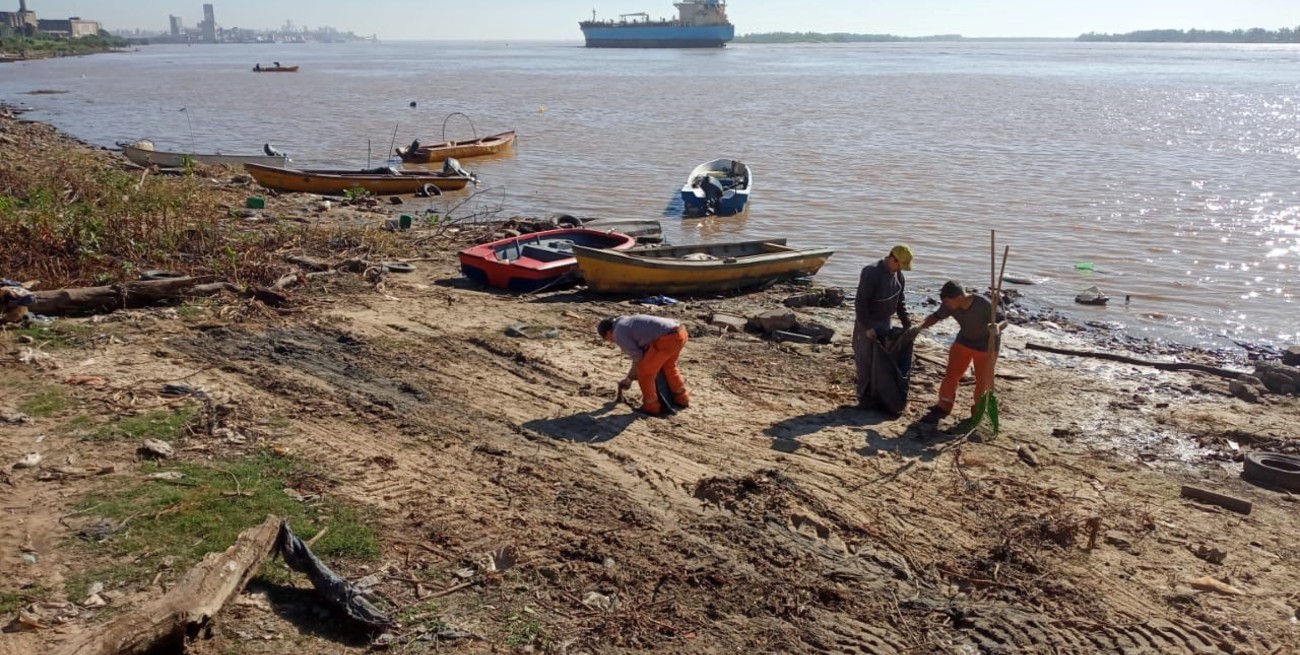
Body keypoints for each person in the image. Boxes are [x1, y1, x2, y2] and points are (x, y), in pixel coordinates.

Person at [906, 281, 1008, 423]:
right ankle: (944, 404)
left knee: (983, 380)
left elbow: (1004, 321)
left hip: (987, 346)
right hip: (964, 341)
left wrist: (997, 327)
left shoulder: (983, 304)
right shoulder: (950, 305)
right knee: (952, 373)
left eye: (947, 301)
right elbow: (936, 317)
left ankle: (979, 411)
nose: (946, 304)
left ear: (959, 297)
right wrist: (919, 327)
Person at [853, 244, 914, 408]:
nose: (901, 268)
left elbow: (900, 302)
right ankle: (863, 397)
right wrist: (867, 327)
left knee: (881, 361)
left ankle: (878, 394)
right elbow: (860, 302)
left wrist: (907, 323)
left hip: (885, 320)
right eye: (900, 264)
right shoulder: (871, 272)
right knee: (865, 360)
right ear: (892, 259)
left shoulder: (899, 276)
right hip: (867, 321)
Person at [598, 314, 690, 416]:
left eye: (607, 339)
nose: (611, 341)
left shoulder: (618, 333)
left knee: (645, 373)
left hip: (667, 339)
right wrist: (629, 378)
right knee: (669, 366)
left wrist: (629, 379)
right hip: (680, 332)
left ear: (608, 332)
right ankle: (682, 399)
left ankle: (651, 407)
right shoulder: (624, 322)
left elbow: (639, 360)